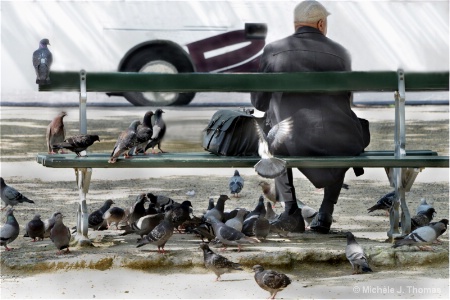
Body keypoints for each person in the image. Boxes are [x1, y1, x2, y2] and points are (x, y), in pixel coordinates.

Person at [251, 0, 370, 233]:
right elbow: (346, 100)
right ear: (321, 23)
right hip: (338, 138)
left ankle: (291, 211)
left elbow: (259, 102)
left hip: (290, 139)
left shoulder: (273, 50)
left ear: (296, 25)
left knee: (272, 137)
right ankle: (325, 212)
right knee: (346, 132)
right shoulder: (340, 52)